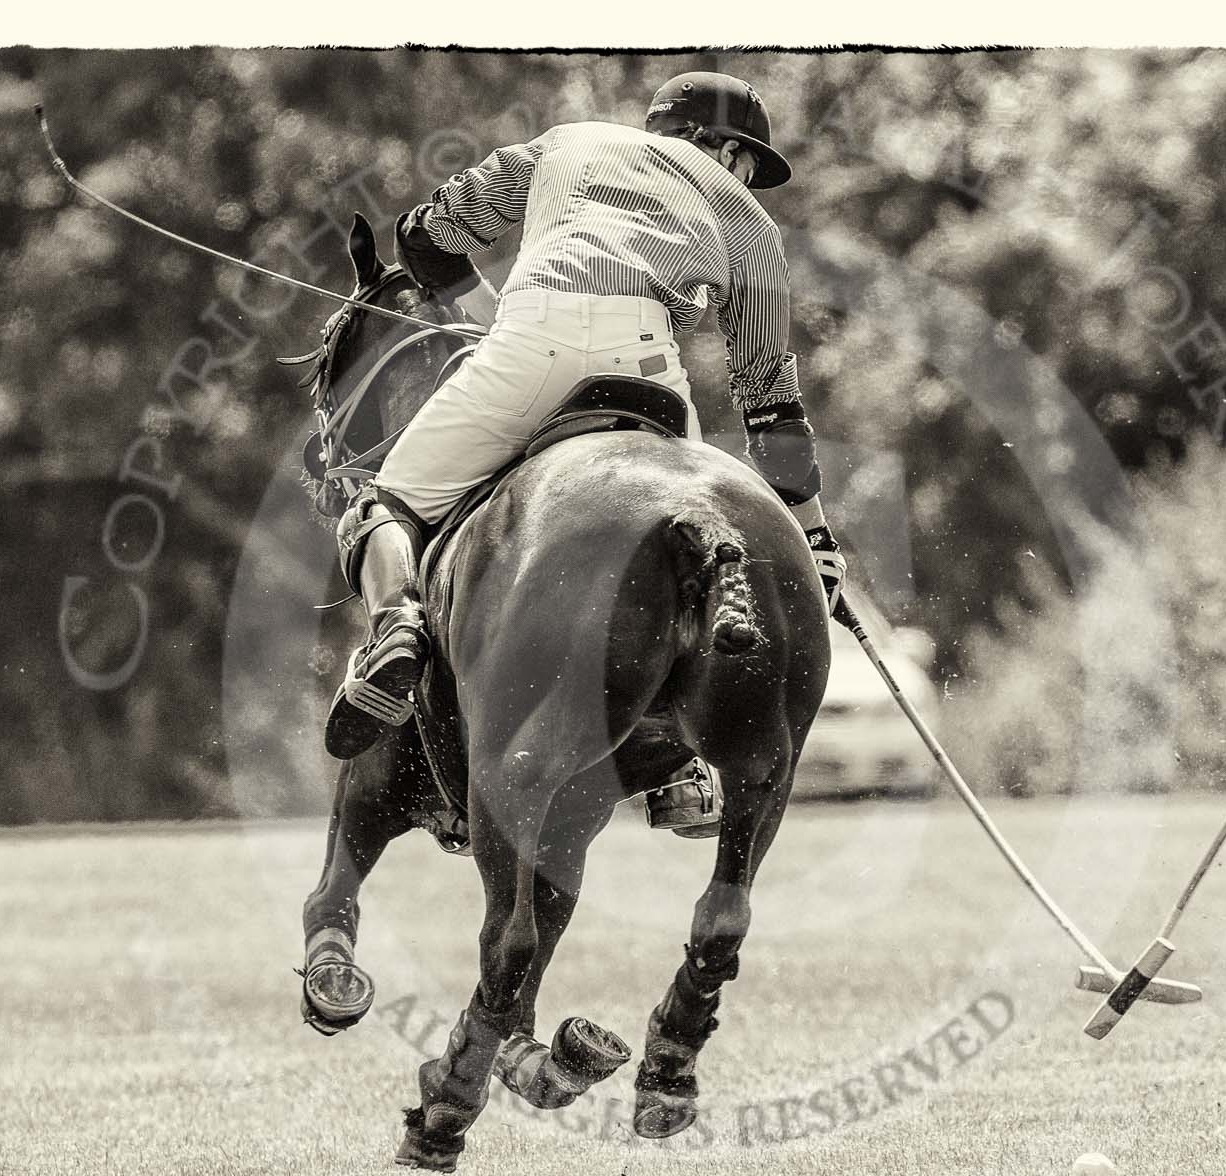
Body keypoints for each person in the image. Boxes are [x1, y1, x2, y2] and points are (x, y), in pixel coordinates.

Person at [322, 72, 848, 828]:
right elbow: (770, 404)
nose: (746, 181)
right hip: (649, 369)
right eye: (748, 163)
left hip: (528, 340)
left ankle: (396, 627)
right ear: (723, 148)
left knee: (382, 503)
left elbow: (423, 237)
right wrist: (816, 536)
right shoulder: (753, 229)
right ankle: (680, 770)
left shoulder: (567, 142)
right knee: (695, 523)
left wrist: (492, 318)